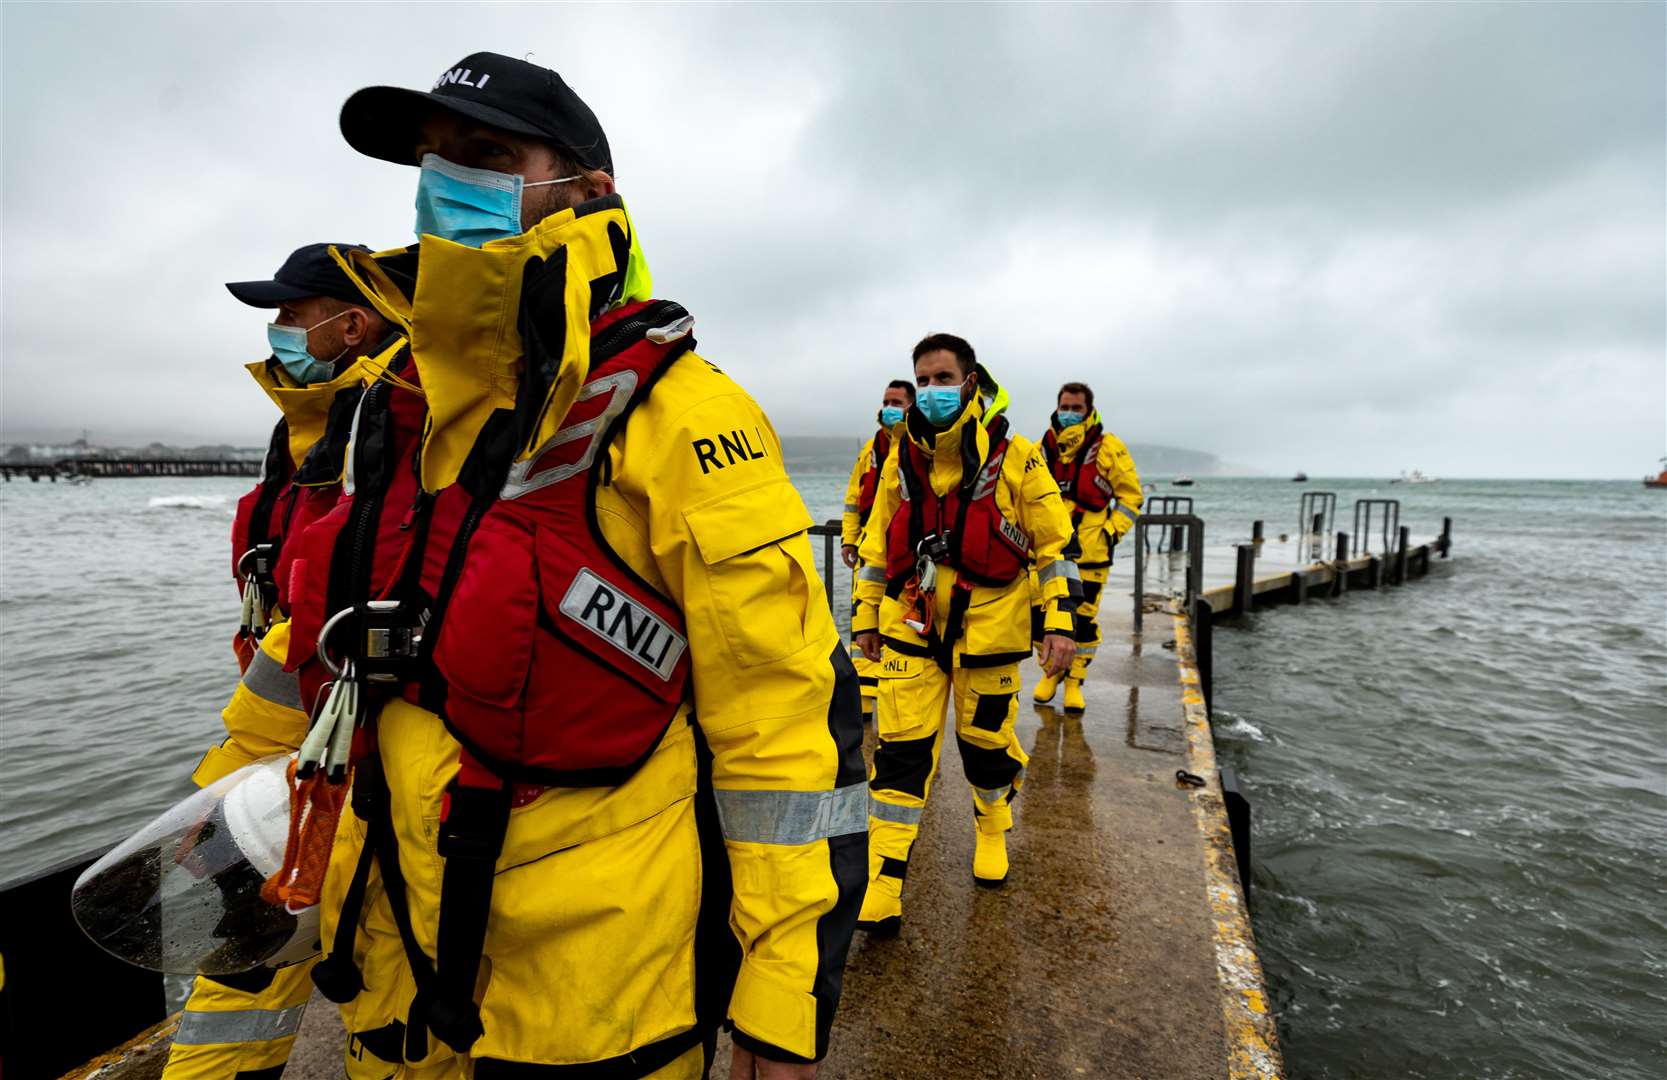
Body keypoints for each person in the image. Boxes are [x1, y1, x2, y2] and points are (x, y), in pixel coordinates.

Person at [273, 53, 865, 1080]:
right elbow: (306, 650)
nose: (443, 185)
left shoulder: (684, 416)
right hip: (389, 960)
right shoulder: (390, 408)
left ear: (587, 192)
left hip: (595, 998)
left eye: (487, 157)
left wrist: (779, 1003)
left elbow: (778, 732)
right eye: (430, 161)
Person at [164, 246, 401, 1080]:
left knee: (385, 988)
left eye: (294, 315)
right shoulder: (302, 439)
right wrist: (221, 787)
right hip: (283, 756)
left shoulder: (399, 424)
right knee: (247, 950)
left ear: (353, 322)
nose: (279, 332)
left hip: (361, 762)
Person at [849, 333, 1078, 934]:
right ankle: (884, 880)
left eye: (943, 379)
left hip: (991, 630)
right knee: (898, 754)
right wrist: (866, 616)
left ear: (970, 383)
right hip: (913, 626)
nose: (931, 392)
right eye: (922, 381)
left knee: (984, 748)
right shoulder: (901, 460)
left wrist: (1059, 623)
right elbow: (875, 544)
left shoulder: (1020, 457)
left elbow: (1055, 546)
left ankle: (992, 829)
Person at [1030, 382, 1142, 713]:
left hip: (1091, 553)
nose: (1069, 414)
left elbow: (1131, 496)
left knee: (1083, 620)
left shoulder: (1109, 448)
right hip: (1048, 553)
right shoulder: (1041, 448)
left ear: (1089, 410)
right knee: (1044, 618)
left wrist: (1110, 533)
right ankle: (1050, 673)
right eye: (1064, 407)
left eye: (1076, 408)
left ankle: (1075, 682)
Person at [839, 380, 914, 722]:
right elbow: (854, 501)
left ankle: (900, 692)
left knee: (900, 620)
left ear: (911, 406)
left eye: (896, 401)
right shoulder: (870, 450)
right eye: (886, 401)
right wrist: (848, 539)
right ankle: (864, 700)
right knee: (863, 617)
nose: (889, 406)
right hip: (870, 548)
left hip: (906, 550)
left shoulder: (917, 445)